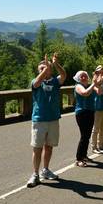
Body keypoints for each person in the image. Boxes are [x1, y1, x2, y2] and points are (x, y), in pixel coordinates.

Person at [27, 53, 66, 188]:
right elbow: (37, 82)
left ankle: (46, 170)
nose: (43, 69)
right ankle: (35, 174)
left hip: (53, 119)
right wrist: (45, 69)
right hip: (39, 119)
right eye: (41, 68)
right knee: (37, 148)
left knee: (49, 147)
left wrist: (55, 64)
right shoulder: (35, 81)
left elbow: (64, 76)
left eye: (45, 67)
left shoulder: (55, 81)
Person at [74, 70, 102, 167]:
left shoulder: (91, 85)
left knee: (87, 136)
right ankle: (79, 159)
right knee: (84, 136)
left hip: (90, 112)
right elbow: (85, 93)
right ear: (78, 78)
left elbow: (100, 92)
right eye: (81, 76)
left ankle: (84, 155)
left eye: (85, 75)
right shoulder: (78, 86)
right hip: (81, 113)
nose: (84, 77)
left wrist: (99, 82)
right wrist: (94, 84)